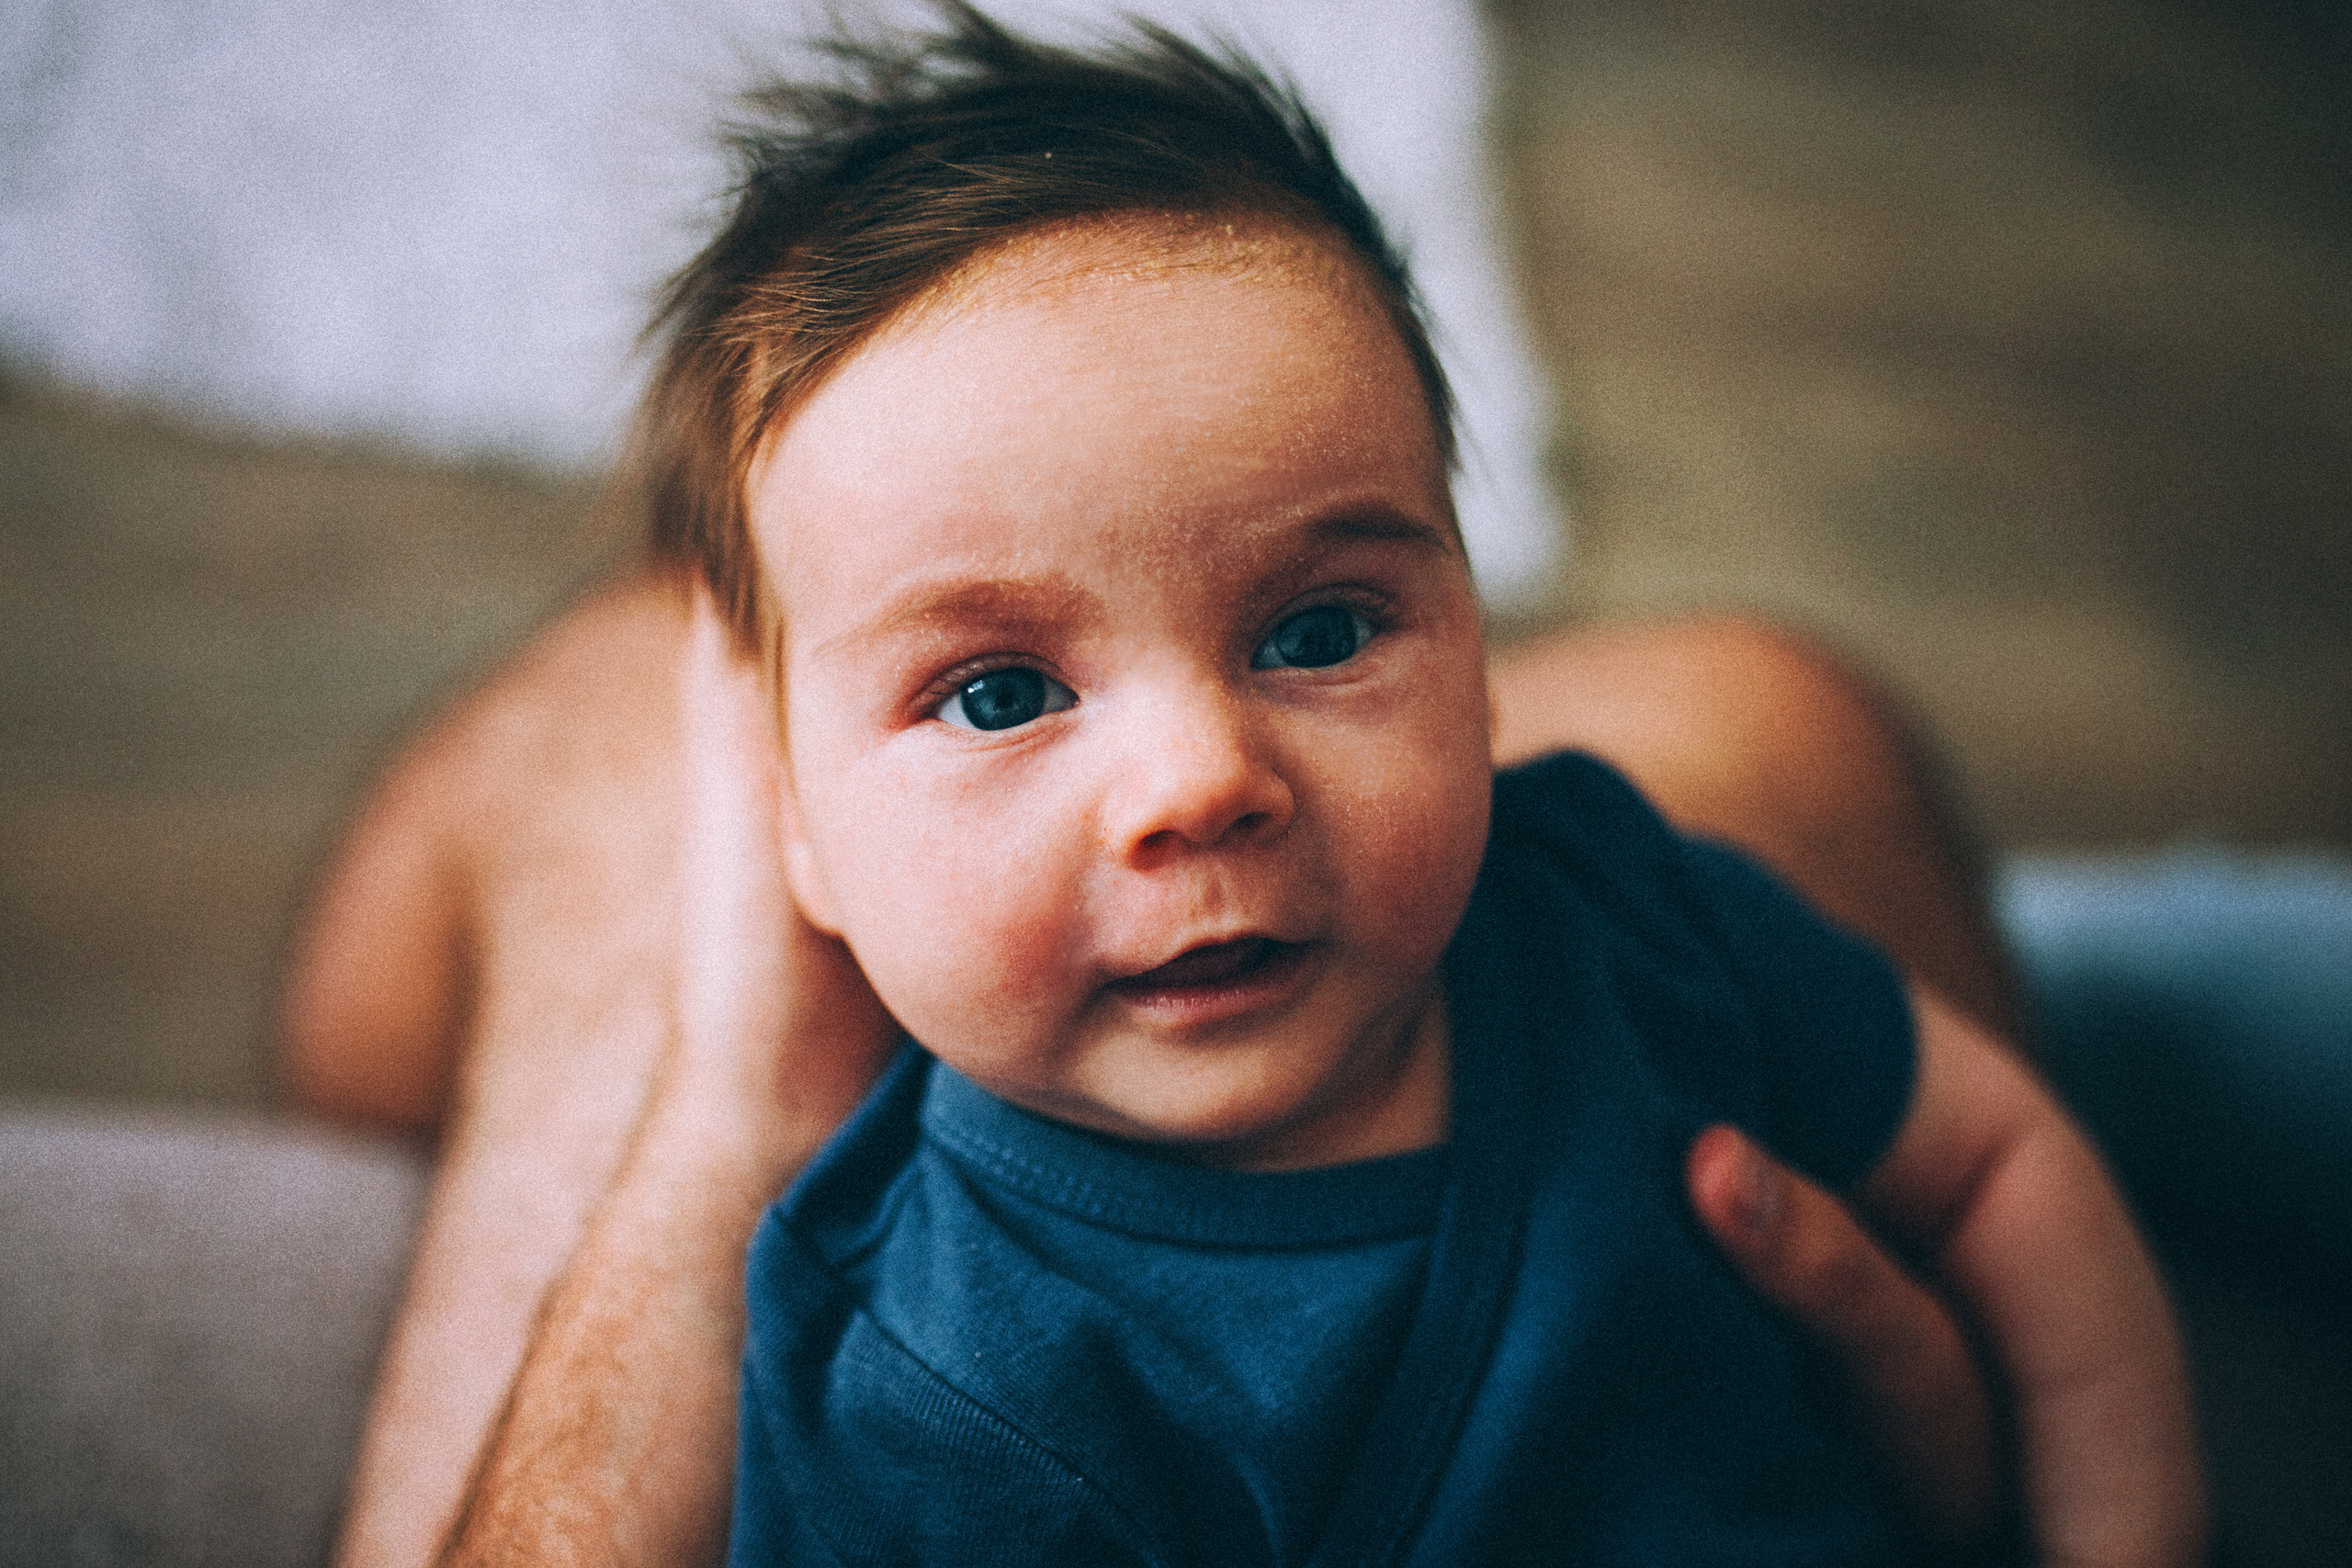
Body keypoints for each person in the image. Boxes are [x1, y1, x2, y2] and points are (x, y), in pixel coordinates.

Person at [281, 12, 2195, 1566]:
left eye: (1316, 627)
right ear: (788, 837)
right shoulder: (929, 1383)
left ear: (1470, 615)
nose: (1200, 777)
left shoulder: (1620, 901)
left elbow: (2002, 1162)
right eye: (1002, 687)